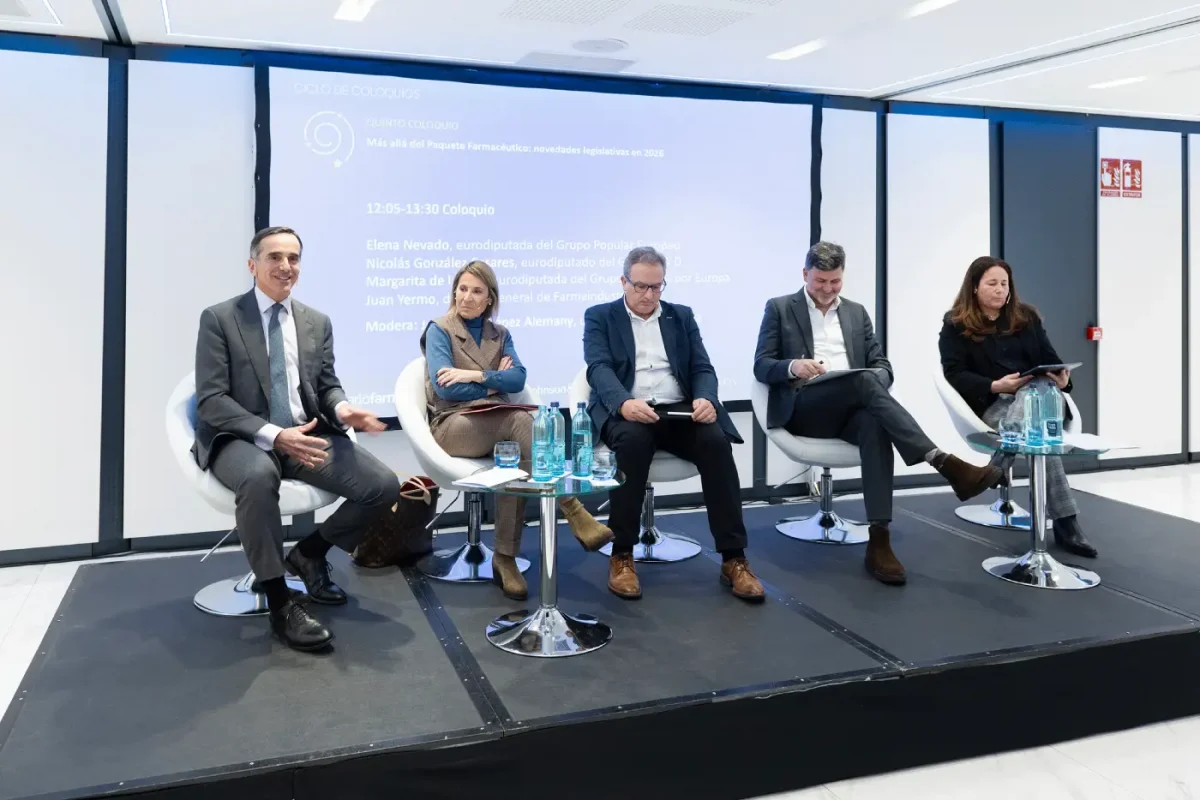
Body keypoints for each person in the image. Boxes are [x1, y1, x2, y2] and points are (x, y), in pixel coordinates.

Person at [194, 227, 399, 652]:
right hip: (241, 438)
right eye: (274, 257)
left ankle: (309, 553)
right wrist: (274, 434)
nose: (285, 266)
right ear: (252, 265)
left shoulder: (316, 322)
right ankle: (279, 602)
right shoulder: (219, 319)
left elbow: (326, 386)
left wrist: (342, 409)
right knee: (257, 477)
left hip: (304, 435)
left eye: (293, 258)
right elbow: (212, 400)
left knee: (382, 486)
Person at [753, 241, 1004, 586]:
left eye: (835, 281)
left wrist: (871, 381)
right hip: (806, 406)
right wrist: (794, 366)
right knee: (865, 384)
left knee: (874, 419)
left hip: (853, 407)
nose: (827, 289)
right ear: (805, 274)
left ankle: (879, 539)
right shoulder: (780, 308)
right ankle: (943, 461)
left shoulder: (856, 313)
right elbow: (762, 365)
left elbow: (883, 367)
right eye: (820, 281)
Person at [421, 260, 613, 600]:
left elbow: (518, 379)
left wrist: (475, 375)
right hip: (453, 424)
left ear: (489, 299)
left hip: (496, 424)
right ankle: (573, 510)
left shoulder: (500, 334)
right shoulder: (440, 329)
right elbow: (446, 387)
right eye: (462, 289)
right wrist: (496, 382)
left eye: (476, 291)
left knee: (519, 456)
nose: (466, 297)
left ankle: (505, 557)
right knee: (522, 422)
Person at [583, 246, 765, 603]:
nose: (649, 295)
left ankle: (734, 558)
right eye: (641, 286)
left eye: (656, 286)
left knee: (715, 443)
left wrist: (706, 398)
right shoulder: (600, 316)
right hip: (629, 410)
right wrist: (624, 403)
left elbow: (702, 367)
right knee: (633, 443)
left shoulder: (681, 316)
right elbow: (598, 368)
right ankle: (622, 555)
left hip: (678, 411)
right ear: (623, 282)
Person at [938, 256, 1096, 558]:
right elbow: (954, 374)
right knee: (1038, 432)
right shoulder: (956, 324)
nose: (1000, 290)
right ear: (974, 287)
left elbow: (1051, 360)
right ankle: (1066, 522)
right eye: (992, 284)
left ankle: (998, 464)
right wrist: (996, 385)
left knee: (1036, 392)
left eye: (1004, 284)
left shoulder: (1027, 317)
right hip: (995, 403)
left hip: (1043, 397)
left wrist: (1063, 380)